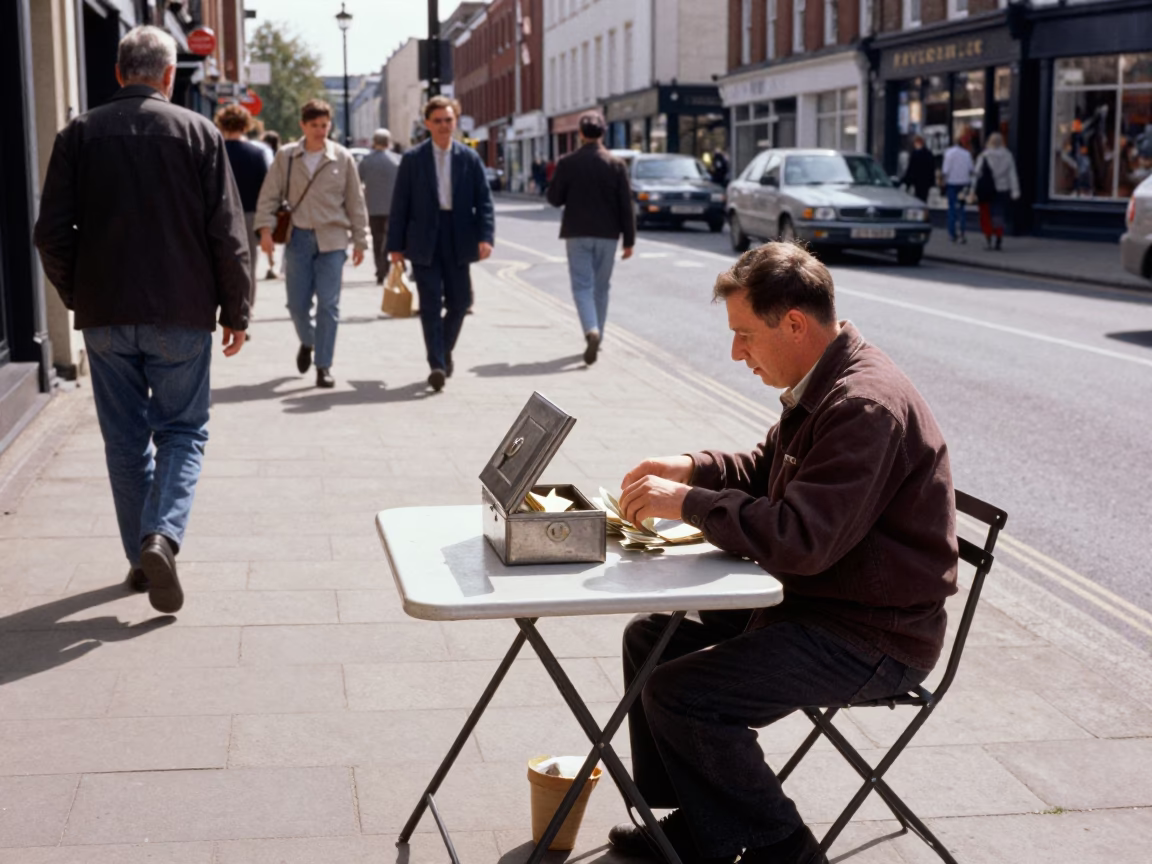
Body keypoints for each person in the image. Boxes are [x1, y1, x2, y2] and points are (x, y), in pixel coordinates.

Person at [606, 242, 957, 864]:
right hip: (822, 605)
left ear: (794, 323)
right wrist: (693, 468)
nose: (736, 351)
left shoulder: (862, 405)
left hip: (872, 635)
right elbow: (766, 468)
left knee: (684, 694)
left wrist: (686, 503)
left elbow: (801, 540)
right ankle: (695, 826)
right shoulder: (823, 382)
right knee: (649, 640)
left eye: (745, 335)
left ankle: (787, 851)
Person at [34, 25, 249, 615]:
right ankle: (162, 539)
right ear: (170, 76)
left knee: (126, 442)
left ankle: (140, 556)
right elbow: (227, 235)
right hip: (181, 312)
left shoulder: (78, 134)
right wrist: (237, 310)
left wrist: (81, 293)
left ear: (119, 72)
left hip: (106, 315)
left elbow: (49, 234)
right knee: (183, 431)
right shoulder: (200, 132)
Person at [255, 99, 369, 389]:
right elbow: (269, 195)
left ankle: (324, 365)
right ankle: (308, 341)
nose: (320, 131)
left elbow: (355, 201)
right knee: (296, 305)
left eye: (324, 125)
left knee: (329, 306)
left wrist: (360, 240)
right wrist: (265, 230)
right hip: (299, 238)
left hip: (333, 239)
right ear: (303, 126)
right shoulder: (287, 157)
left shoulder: (342, 158)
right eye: (314, 125)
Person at [386, 96, 495, 392]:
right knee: (431, 304)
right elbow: (400, 205)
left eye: (449, 120)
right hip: (424, 239)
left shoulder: (469, 158)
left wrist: (487, 237)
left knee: (461, 302)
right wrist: (394, 246)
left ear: (456, 121)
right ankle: (436, 364)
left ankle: (443, 350)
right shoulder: (412, 159)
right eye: (438, 121)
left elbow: (484, 201)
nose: (445, 126)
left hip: (459, 236)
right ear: (428, 124)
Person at [546, 111, 635, 365]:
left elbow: (554, 199)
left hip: (577, 233)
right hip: (608, 235)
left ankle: (590, 330)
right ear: (602, 133)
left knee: (582, 285)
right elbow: (625, 205)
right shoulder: (616, 165)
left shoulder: (567, 162)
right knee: (601, 286)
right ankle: (599, 334)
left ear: (581, 134)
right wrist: (629, 241)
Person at [215, 103, 270, 309]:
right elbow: (265, 189)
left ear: (221, 124)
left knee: (219, 263)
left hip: (220, 215)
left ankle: (225, 309)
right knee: (248, 265)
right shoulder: (256, 154)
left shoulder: (215, 151)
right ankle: (245, 312)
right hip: (249, 215)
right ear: (246, 125)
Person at [358, 128, 401, 285]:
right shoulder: (397, 160)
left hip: (373, 206)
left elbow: (357, 182)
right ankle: (388, 266)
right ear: (388, 142)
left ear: (374, 142)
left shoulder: (366, 161)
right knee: (391, 239)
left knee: (377, 240)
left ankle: (380, 269)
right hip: (394, 207)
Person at [970, 132, 1020, 251]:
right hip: (1002, 189)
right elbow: (1012, 174)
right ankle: (998, 238)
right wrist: (1015, 191)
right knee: (998, 215)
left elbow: (977, 175)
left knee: (986, 215)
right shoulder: (1008, 155)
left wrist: (972, 190)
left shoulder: (984, 156)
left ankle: (988, 240)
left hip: (986, 190)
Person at [940, 135, 974, 244]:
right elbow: (971, 169)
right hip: (963, 183)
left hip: (952, 183)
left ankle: (952, 233)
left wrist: (943, 181)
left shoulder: (949, 153)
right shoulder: (967, 154)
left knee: (952, 208)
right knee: (962, 208)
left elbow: (945, 170)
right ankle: (962, 232)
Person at [260, 130, 282, 280]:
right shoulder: (280, 156)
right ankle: (272, 263)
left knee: (266, 230)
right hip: (278, 199)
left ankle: (271, 262)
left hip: (264, 197)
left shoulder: (263, 155)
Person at [901, 135, 936, 203]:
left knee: (918, 198)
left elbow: (911, 168)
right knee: (923, 199)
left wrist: (907, 181)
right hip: (925, 181)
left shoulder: (915, 154)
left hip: (918, 180)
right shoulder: (928, 154)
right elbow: (932, 168)